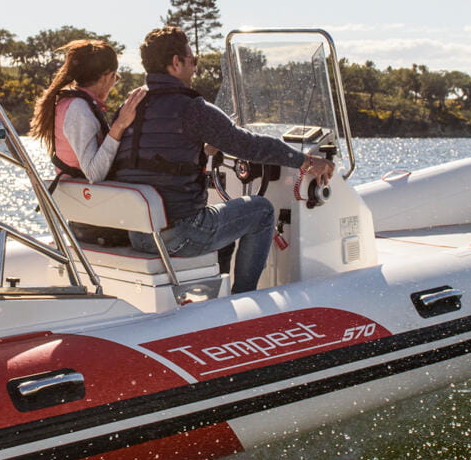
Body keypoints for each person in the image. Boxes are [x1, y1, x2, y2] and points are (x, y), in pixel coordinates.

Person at [111, 26, 333, 293]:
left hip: (140, 235)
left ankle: (218, 293)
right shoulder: (192, 108)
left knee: (223, 218)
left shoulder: (130, 107)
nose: (195, 68)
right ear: (176, 63)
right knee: (261, 210)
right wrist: (306, 161)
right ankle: (243, 297)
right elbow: (249, 146)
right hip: (183, 235)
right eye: (193, 60)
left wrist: (203, 151)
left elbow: (152, 157)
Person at [29, 38, 148, 183]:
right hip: (79, 194)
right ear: (108, 77)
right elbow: (94, 174)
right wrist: (119, 125)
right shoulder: (78, 109)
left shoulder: (76, 104)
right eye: (115, 77)